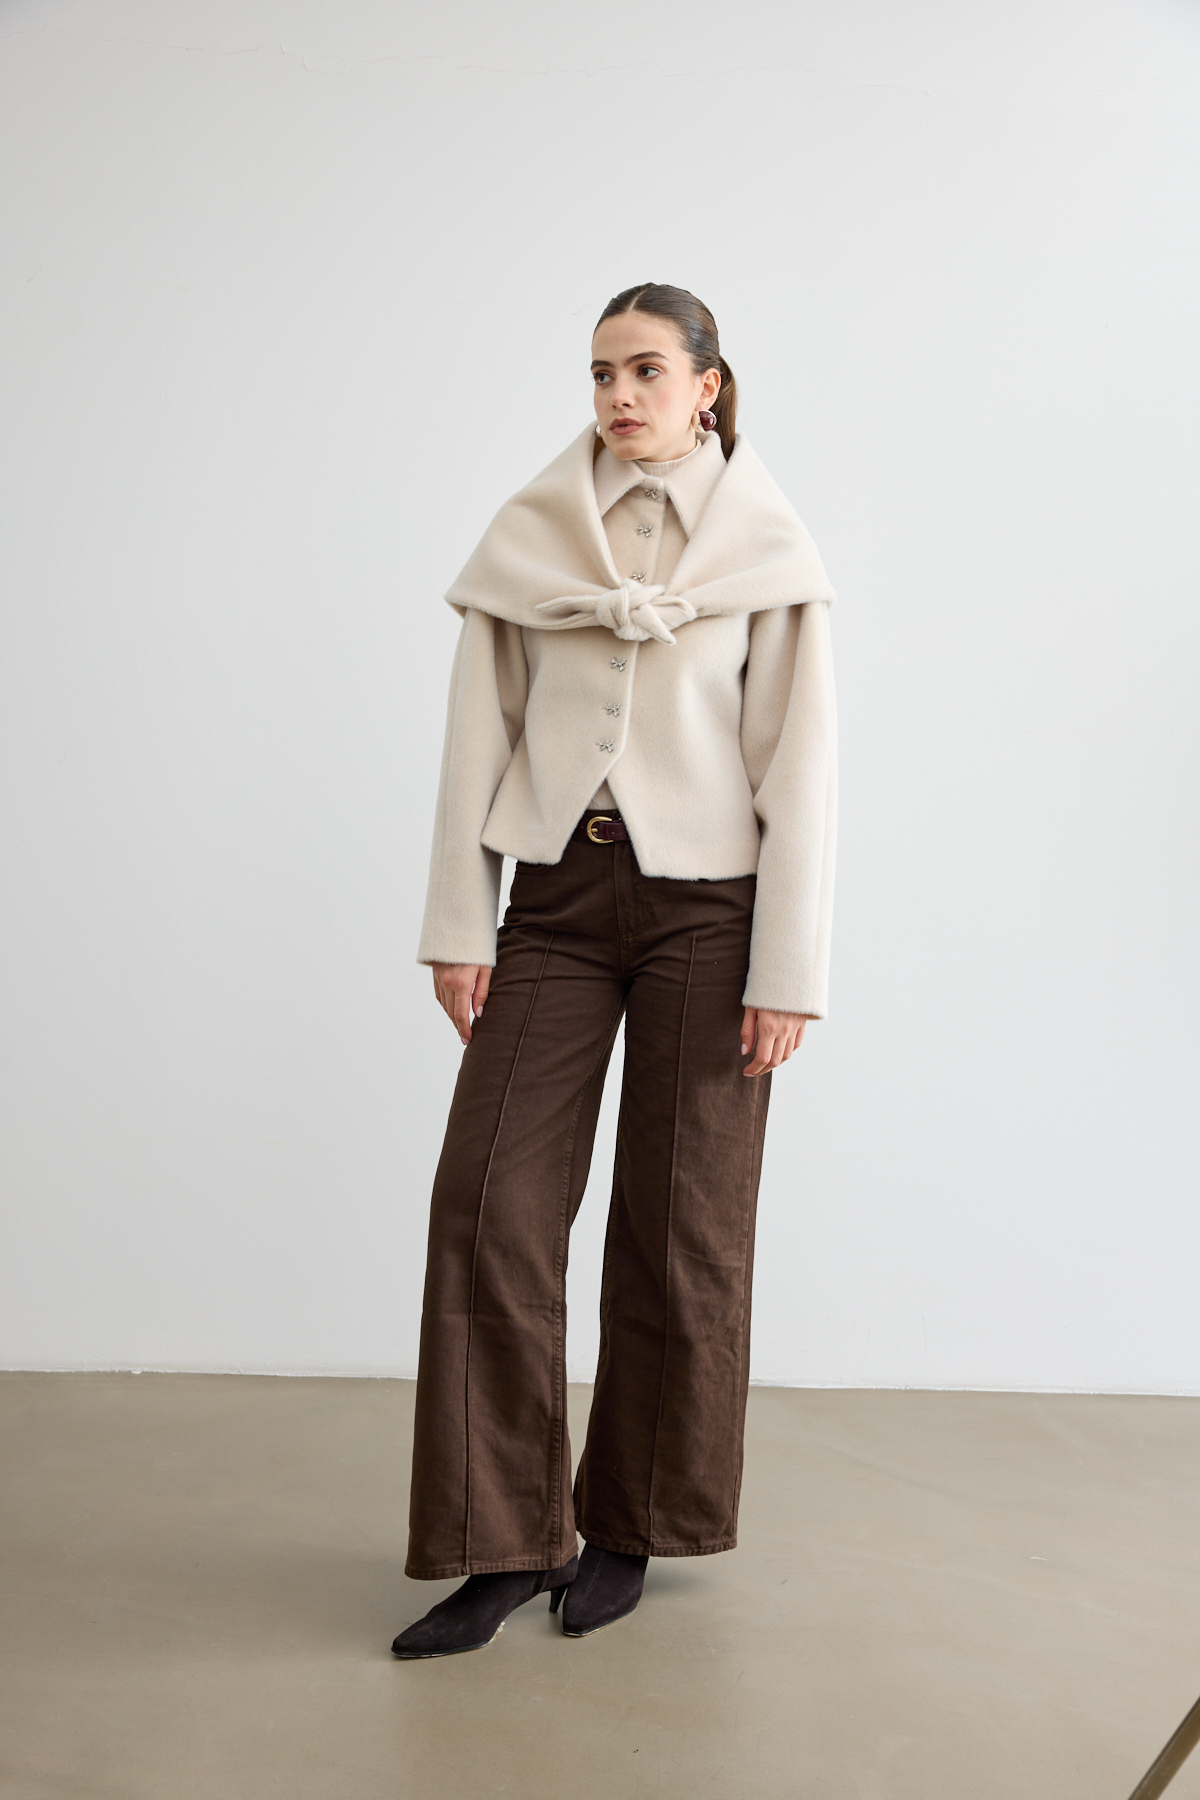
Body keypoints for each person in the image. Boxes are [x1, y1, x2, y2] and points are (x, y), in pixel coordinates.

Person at [391, 283, 837, 1659]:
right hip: (557, 901)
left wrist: (788, 969)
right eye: (601, 373)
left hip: (714, 912)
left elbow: (801, 766)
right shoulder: (534, 535)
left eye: (647, 369)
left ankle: (633, 1521)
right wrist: (461, 924)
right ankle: (502, 1540)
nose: (620, 395)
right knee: (488, 1204)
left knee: (683, 1217)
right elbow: (480, 732)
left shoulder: (767, 544)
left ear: (709, 383)